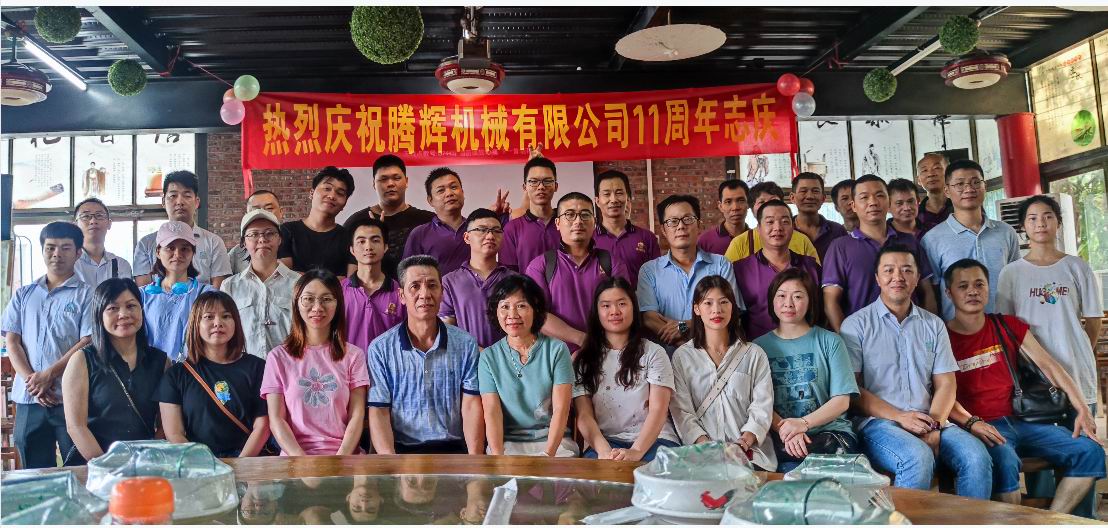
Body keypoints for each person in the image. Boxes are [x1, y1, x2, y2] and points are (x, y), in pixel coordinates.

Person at [944, 258, 1105, 513]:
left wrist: (1082, 408)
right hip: (983, 426)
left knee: (1090, 451)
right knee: (1005, 460)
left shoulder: (1006, 325)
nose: (972, 291)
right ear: (948, 293)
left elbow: (1049, 365)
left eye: (979, 284)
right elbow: (940, 393)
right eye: (963, 286)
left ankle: (1049, 520)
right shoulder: (941, 335)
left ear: (988, 288)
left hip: (1023, 419)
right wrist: (972, 423)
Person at [841, 246, 991, 499]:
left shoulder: (933, 324)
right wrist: (900, 417)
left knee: (976, 457)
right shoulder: (856, 325)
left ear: (917, 277)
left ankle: (969, 519)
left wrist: (934, 424)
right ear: (877, 278)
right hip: (880, 423)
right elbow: (852, 390)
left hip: (930, 418)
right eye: (889, 270)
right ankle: (902, 519)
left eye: (906, 270)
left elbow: (946, 384)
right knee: (917, 457)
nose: (898, 277)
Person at [366, 255, 483, 455]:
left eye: (432, 286)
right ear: (401, 296)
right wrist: (390, 462)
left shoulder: (465, 344)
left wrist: (474, 461)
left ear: (442, 292)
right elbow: (379, 410)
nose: (425, 294)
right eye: (415, 286)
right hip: (401, 451)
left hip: (454, 450)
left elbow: (471, 404)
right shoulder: (381, 349)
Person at [998, 195, 1103, 413]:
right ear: (1023, 226)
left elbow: (1094, 320)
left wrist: (1080, 349)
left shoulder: (1078, 267)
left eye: (1048, 216)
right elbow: (1006, 326)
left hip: (1076, 366)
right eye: (1033, 218)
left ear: (1059, 223)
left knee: (1083, 429)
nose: (1041, 223)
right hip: (1033, 373)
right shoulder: (1011, 273)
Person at [2, 222, 93, 468]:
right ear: (43, 250)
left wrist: (49, 375)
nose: (56, 254)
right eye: (50, 247)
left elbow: (87, 341)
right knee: (34, 470)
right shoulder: (24, 294)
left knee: (77, 465)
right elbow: (12, 340)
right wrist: (33, 381)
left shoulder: (87, 295)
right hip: (29, 399)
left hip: (70, 397)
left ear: (78, 253)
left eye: (65, 248)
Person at [754, 268, 859, 473]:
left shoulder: (830, 341)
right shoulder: (758, 348)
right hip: (782, 438)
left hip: (830, 436)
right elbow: (758, 402)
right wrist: (787, 430)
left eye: (798, 296)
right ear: (772, 300)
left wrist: (803, 424)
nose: (788, 303)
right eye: (781, 296)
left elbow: (842, 401)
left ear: (810, 301)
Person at [670, 275, 776, 471]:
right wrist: (707, 447)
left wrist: (743, 443)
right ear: (696, 309)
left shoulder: (754, 354)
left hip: (750, 456)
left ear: (733, 307)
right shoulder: (682, 357)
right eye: (708, 303)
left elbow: (762, 406)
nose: (716, 310)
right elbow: (681, 411)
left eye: (724, 302)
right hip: (701, 458)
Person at [261, 270, 370, 455]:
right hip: (294, 459)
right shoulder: (278, 357)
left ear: (338, 304)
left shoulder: (354, 356)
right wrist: (303, 464)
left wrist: (339, 461)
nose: (317, 307)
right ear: (297, 303)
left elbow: (357, 415)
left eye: (326, 299)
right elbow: (277, 420)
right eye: (308, 299)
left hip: (344, 457)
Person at [62, 279, 169, 464]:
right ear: (99, 315)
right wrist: (109, 466)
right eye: (113, 308)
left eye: (131, 306)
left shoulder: (161, 361)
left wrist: (146, 461)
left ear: (141, 310)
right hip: (94, 465)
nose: (123, 314)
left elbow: (165, 423)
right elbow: (76, 427)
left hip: (144, 464)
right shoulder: (81, 360)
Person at [572, 277, 679, 462]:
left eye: (622, 304)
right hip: (606, 442)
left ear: (633, 308)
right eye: (606, 306)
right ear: (597, 312)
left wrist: (636, 451)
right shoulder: (584, 360)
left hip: (656, 440)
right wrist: (604, 451)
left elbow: (658, 410)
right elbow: (584, 415)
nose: (615, 311)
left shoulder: (653, 352)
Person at [157, 291, 270, 457]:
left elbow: (263, 425)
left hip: (249, 462)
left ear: (236, 322)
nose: (218, 323)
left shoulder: (258, 367)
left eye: (226, 316)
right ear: (196, 323)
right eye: (209, 317)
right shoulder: (176, 375)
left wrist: (241, 464)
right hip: (197, 463)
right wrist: (206, 465)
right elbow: (174, 434)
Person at [479, 274, 578, 457]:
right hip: (508, 445)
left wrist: (548, 455)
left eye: (521, 306)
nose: (512, 315)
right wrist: (498, 457)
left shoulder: (557, 350)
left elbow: (561, 409)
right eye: (505, 307)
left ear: (536, 309)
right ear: (496, 312)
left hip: (555, 443)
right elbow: (492, 412)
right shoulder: (488, 357)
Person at [822, 175, 937, 332]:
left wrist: (928, 331)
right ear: (853, 205)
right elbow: (830, 301)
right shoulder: (840, 247)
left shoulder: (909, 242)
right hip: (862, 336)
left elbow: (927, 291)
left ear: (889, 201)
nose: (873, 202)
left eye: (880, 195)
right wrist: (846, 340)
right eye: (864, 197)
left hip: (911, 332)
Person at [525, 192, 630, 351]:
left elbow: (623, 310)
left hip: (606, 351)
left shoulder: (612, 263)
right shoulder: (540, 266)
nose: (578, 221)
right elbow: (536, 314)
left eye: (585, 214)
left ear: (594, 222)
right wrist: (582, 339)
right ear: (557, 223)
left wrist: (598, 347)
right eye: (570, 215)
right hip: (556, 357)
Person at [638, 195, 741, 350]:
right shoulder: (649, 270)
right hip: (667, 360)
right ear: (664, 230)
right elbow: (649, 319)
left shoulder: (721, 265)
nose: (681, 226)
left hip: (713, 357)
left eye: (688, 219)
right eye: (672, 221)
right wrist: (687, 351)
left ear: (698, 224)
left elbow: (730, 312)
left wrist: (683, 327)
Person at [922, 159, 1021, 320]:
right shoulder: (932, 239)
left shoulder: (1006, 232)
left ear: (985, 186)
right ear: (947, 191)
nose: (969, 189)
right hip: (957, 330)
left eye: (976, 182)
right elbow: (931, 294)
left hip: (1004, 327)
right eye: (960, 184)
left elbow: (1017, 281)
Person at [733, 200, 821, 340]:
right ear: (758, 229)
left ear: (793, 227)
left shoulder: (811, 267)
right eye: (770, 222)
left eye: (785, 222)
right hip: (758, 347)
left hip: (806, 345)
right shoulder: (741, 269)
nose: (778, 227)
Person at [221, 209, 301, 360]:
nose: (262, 239)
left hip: (288, 367)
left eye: (269, 233)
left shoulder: (298, 283)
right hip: (244, 369)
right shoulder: (229, 286)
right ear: (243, 243)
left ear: (279, 239)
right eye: (254, 234)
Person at [133, 171, 232, 287]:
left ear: (197, 202)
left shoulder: (213, 242)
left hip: (203, 299)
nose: (180, 202)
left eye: (187, 196)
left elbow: (218, 291)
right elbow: (144, 293)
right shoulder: (146, 244)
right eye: (173, 196)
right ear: (163, 202)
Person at [343, 155, 436, 278]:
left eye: (396, 178)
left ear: (406, 181)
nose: (390, 184)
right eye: (383, 179)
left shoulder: (427, 220)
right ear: (374, 184)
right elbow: (349, 276)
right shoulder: (357, 222)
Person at [141, 221, 217, 361]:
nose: (177, 254)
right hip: (153, 370)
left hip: (194, 370)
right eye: (170, 248)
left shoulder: (207, 294)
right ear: (158, 252)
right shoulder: (142, 296)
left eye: (184, 249)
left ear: (193, 253)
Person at [441, 208, 515, 348]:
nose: (490, 236)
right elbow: (446, 331)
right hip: (466, 358)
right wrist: (481, 354)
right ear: (467, 237)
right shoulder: (449, 282)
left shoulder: (515, 280)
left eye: (496, 231)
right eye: (482, 230)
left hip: (508, 359)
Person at [279, 166, 356, 277]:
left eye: (340, 193)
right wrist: (332, 280)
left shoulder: (349, 238)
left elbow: (350, 281)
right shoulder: (287, 231)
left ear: (345, 203)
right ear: (311, 193)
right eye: (327, 189)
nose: (332, 196)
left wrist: (301, 276)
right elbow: (284, 275)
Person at [343, 217, 404, 352]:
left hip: (388, 365)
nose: (368, 247)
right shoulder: (339, 292)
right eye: (361, 241)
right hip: (349, 364)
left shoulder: (400, 293)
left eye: (375, 240)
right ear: (352, 250)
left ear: (385, 247)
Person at [592, 170, 660, 287]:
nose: (613, 199)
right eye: (607, 194)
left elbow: (657, 279)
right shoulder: (589, 240)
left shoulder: (647, 238)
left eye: (619, 193)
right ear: (597, 201)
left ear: (628, 199)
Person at [724, 181, 819, 262]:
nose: (768, 206)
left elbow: (815, 273)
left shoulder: (802, 241)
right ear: (752, 208)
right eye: (761, 202)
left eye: (773, 201)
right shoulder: (739, 244)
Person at [402, 167, 472, 276]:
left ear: (462, 193)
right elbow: (408, 275)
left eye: (453, 187)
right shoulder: (420, 234)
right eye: (441, 190)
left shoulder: (475, 229)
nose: (449, 193)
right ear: (430, 200)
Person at [500, 157, 561, 272]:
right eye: (533, 181)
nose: (541, 187)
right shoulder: (512, 229)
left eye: (547, 181)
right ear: (525, 187)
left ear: (556, 186)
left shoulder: (567, 224)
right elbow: (509, 274)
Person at [73, 197, 134, 286]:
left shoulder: (121, 265)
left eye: (99, 216)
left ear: (109, 224)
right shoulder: (68, 264)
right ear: (75, 225)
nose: (93, 221)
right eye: (86, 216)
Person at [791, 172, 847, 261]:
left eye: (815, 191)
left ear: (823, 198)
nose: (809, 196)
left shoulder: (837, 231)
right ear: (792, 198)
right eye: (803, 191)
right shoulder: (785, 231)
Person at [229, 190, 284, 275]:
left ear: (281, 212)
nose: (262, 212)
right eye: (255, 210)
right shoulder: (236, 254)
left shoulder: (296, 244)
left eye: (269, 208)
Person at [698, 179, 751, 255]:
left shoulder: (758, 239)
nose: (735, 207)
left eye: (740, 200)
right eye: (728, 202)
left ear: (748, 203)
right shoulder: (705, 241)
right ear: (720, 206)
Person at [916, 152, 952, 234]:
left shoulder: (962, 207)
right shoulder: (915, 215)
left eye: (937, 168)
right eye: (924, 170)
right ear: (918, 180)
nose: (930, 174)